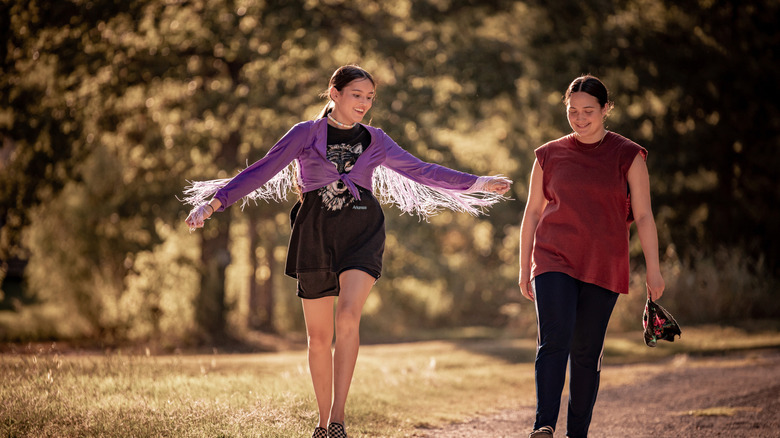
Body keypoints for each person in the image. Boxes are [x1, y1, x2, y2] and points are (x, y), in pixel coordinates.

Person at [183, 65, 512, 438]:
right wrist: (214, 204)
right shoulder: (305, 134)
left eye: (370, 97)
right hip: (314, 234)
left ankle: (338, 418)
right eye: (357, 95)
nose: (364, 103)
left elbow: (421, 170)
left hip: (362, 231)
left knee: (349, 318)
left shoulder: (376, 139)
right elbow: (262, 170)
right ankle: (323, 424)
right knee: (319, 339)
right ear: (334, 93)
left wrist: (477, 183)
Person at [517, 75, 665, 438]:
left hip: (604, 263)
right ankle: (544, 425)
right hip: (553, 258)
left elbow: (644, 216)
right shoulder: (548, 154)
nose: (580, 118)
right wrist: (524, 267)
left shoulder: (628, 154)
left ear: (605, 109)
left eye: (588, 111)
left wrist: (654, 271)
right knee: (554, 339)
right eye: (572, 111)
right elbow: (533, 213)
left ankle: (577, 433)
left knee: (586, 351)